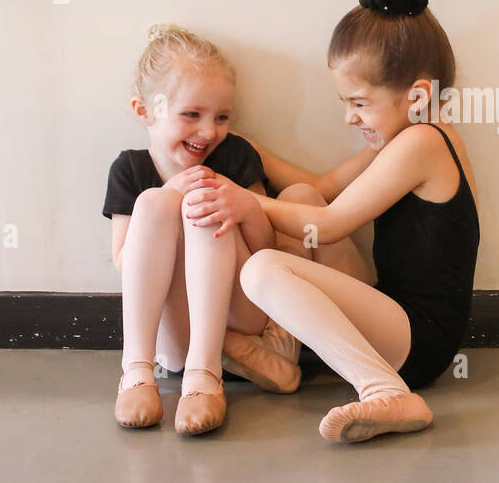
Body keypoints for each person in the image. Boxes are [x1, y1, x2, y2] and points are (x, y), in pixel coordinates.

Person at [185, 0, 481, 443]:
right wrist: (251, 151)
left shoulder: (423, 144)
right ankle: (283, 348)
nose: (349, 118)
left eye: (359, 103)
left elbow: (330, 226)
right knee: (298, 196)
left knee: (262, 269)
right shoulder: (403, 138)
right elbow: (320, 191)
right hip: (392, 312)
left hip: (420, 339)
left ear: (419, 95)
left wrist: (248, 203)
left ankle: (384, 387)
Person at [102, 23, 329, 435]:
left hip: (241, 309)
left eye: (221, 117)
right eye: (192, 114)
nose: (209, 132)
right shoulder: (130, 170)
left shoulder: (234, 155)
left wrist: (245, 208)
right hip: (176, 333)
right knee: (157, 201)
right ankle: (136, 371)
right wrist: (168, 195)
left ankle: (206, 376)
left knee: (202, 200)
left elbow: (267, 256)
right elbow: (123, 262)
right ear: (145, 111)